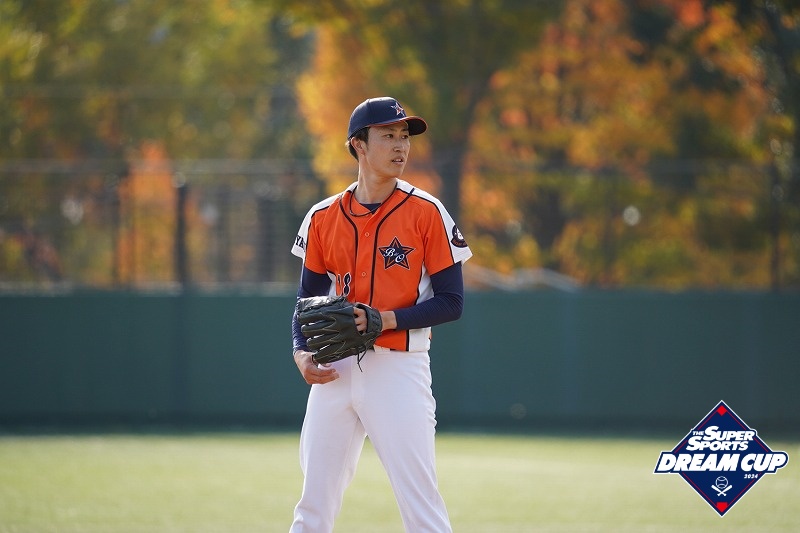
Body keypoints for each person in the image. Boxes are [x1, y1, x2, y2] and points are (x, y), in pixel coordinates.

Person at [289, 96, 472, 532]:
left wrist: (385, 320)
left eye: (404, 136)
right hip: (334, 369)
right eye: (388, 135)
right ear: (359, 144)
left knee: (421, 507)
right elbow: (305, 298)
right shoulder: (322, 217)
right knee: (313, 506)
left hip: (399, 369)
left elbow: (452, 302)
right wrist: (300, 352)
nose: (401, 145)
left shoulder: (427, 212)